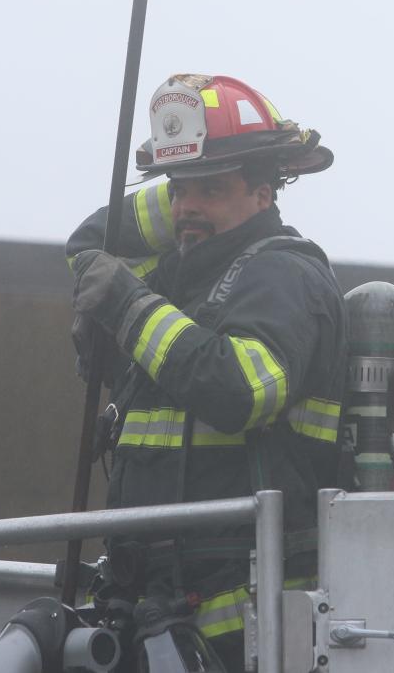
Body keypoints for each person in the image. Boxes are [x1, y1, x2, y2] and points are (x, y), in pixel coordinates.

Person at [66, 73, 347, 670]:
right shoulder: (177, 281)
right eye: (178, 191)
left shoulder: (283, 273)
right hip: (152, 614)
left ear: (264, 195)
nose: (188, 206)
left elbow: (243, 389)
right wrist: (190, 188)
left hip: (243, 627)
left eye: (212, 190)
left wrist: (129, 307)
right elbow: (88, 243)